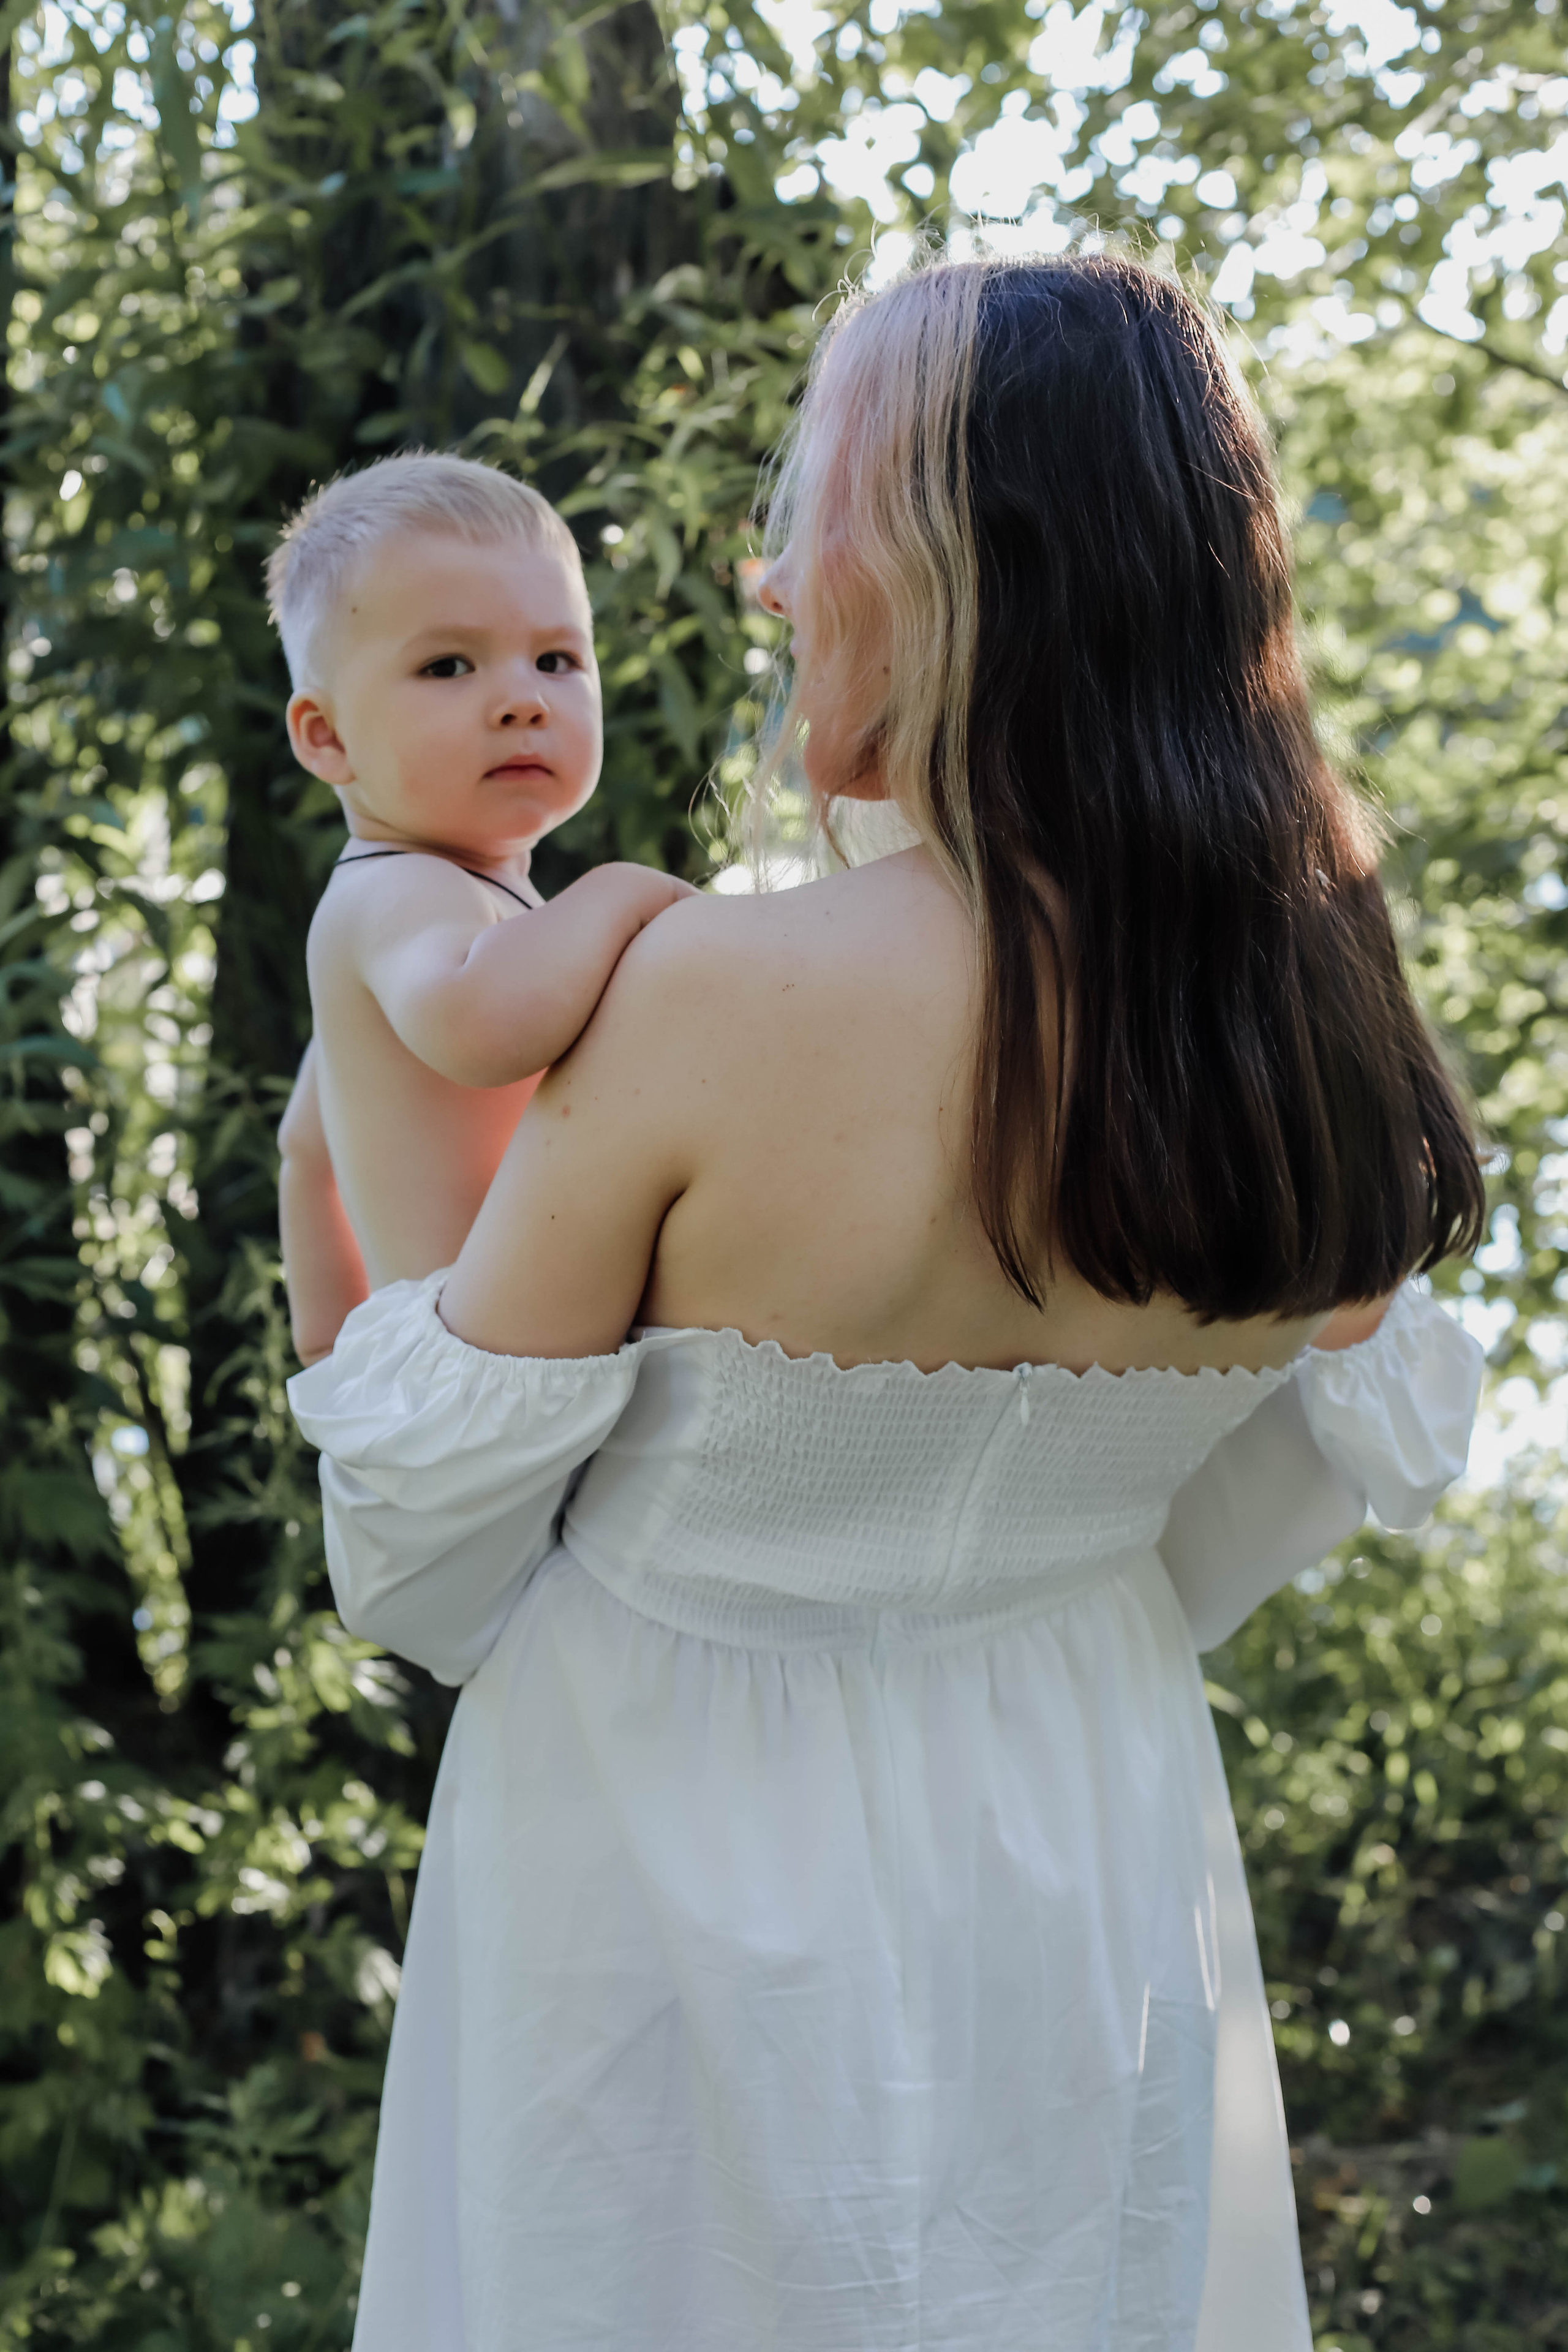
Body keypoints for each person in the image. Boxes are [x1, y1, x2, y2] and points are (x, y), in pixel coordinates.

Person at [288, 255, 1487, 2352]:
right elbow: (1236, 1535)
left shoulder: (708, 1000)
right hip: (1092, 1860)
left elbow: (427, 1567)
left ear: (958, 555)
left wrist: (327, 1194)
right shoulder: (1327, 1023)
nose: (767, 581)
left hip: (656, 1888)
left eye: (814, 501)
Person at [268, 453, 692, 1366]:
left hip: (465, 1365)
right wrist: (627, 890)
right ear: (327, 735)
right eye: (449, 665)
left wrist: (333, 1347)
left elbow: (306, 1147)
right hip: (484, 1370)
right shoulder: (399, 888)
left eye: (555, 658)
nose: (522, 701)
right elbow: (477, 1021)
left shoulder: (442, 895)